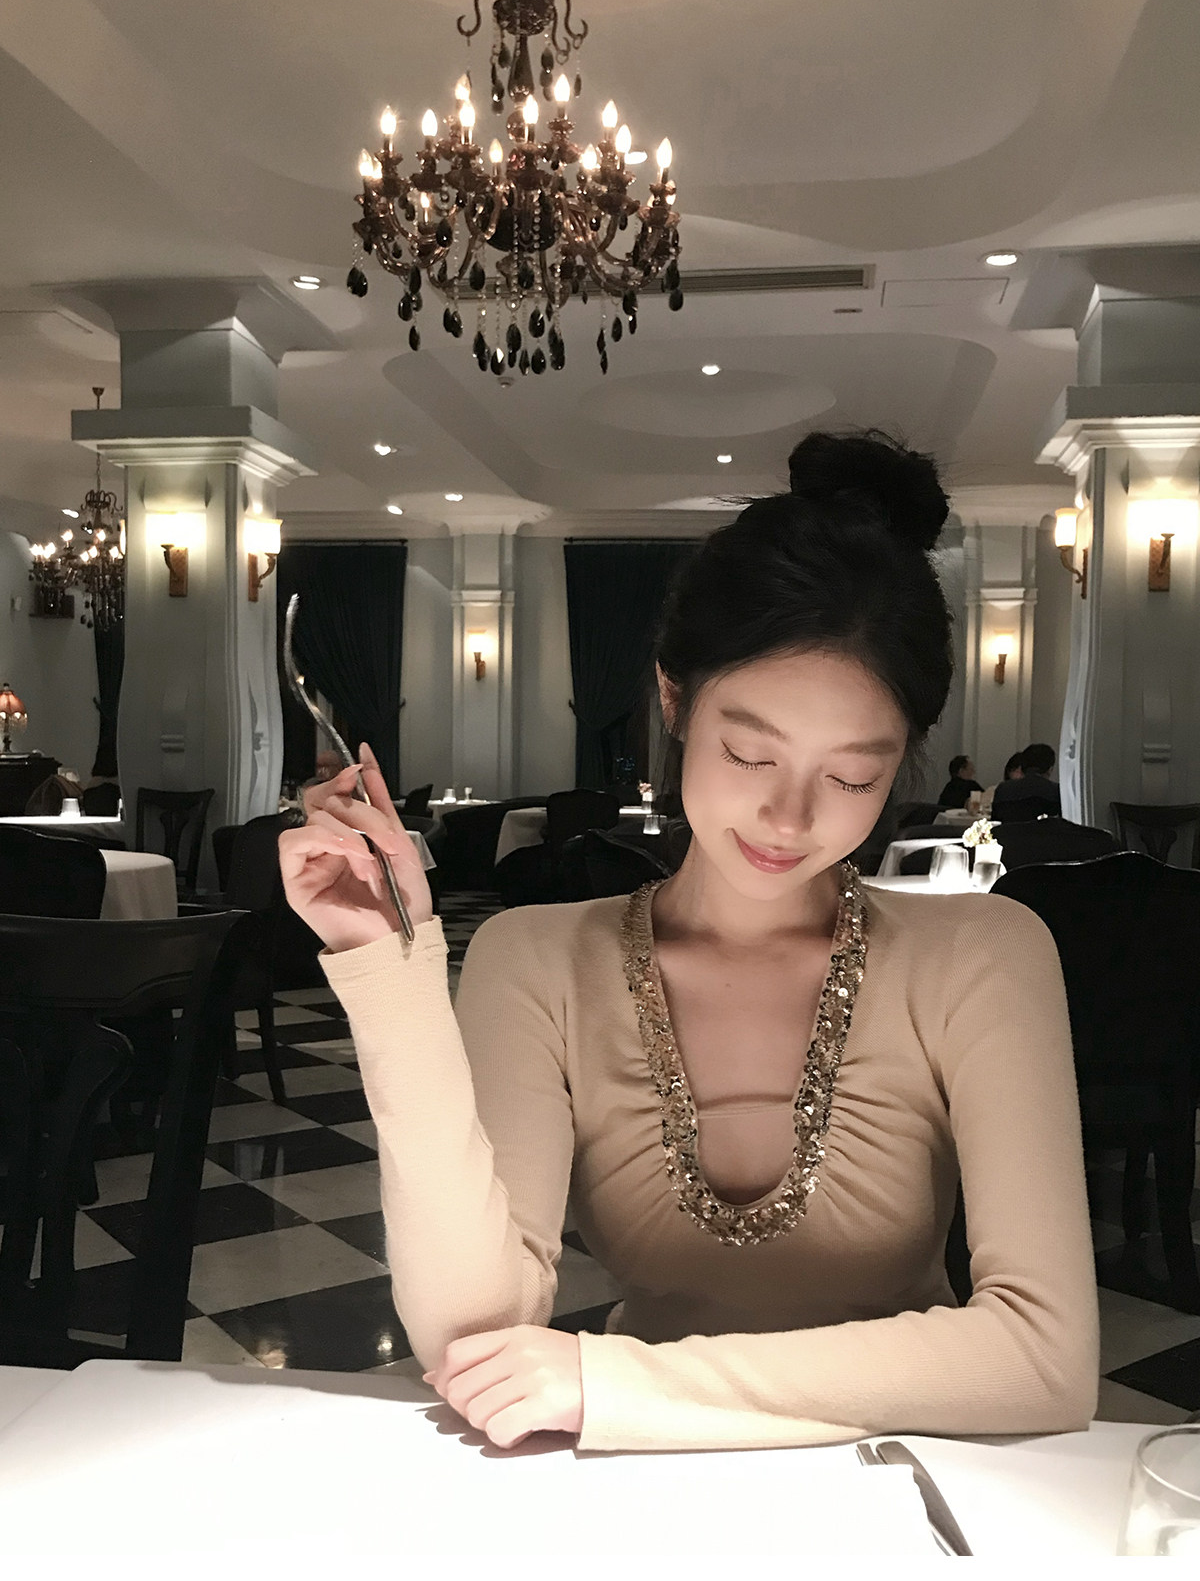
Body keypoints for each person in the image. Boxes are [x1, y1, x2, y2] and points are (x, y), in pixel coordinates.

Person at [281, 430, 1097, 1454]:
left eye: (853, 776)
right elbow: (472, 1343)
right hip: (636, 1485)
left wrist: (615, 1382)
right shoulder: (537, 962)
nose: (791, 817)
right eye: (749, 753)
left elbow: (1045, 1359)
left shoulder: (982, 956)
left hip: (904, 1476)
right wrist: (389, 975)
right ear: (674, 699)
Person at [991, 743, 1062, 824]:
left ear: (1022, 767)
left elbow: (995, 823)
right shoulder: (1056, 791)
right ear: (1050, 769)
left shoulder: (1003, 789)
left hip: (1008, 831)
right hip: (1042, 832)